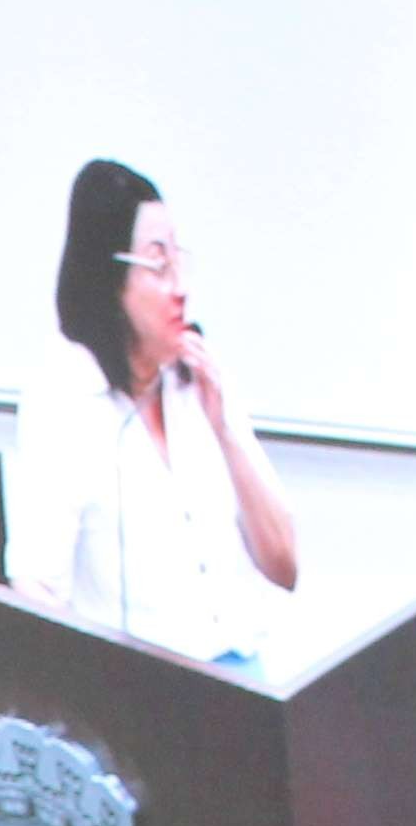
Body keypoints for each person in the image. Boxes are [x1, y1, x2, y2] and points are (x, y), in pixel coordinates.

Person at [42, 158, 305, 671]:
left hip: (242, 672)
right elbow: (38, 587)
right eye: (158, 266)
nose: (180, 287)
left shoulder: (197, 376)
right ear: (109, 279)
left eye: (179, 262)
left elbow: (284, 565)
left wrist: (224, 431)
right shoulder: (67, 397)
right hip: (142, 692)